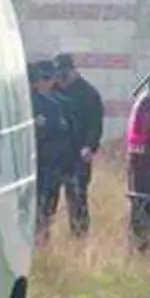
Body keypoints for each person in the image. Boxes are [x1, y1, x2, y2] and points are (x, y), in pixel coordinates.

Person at [53, 53, 105, 238]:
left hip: (78, 156)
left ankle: (79, 240)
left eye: (63, 75)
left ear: (73, 72)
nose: (60, 80)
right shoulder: (53, 91)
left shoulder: (88, 94)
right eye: (57, 75)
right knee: (48, 201)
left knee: (76, 200)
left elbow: (95, 125)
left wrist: (89, 147)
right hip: (55, 155)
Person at [29, 61, 81, 241]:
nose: (49, 82)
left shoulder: (58, 105)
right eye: (45, 78)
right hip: (36, 165)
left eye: (50, 78)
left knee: (47, 209)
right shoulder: (30, 105)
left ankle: (43, 240)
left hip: (53, 166)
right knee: (37, 208)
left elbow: (68, 137)